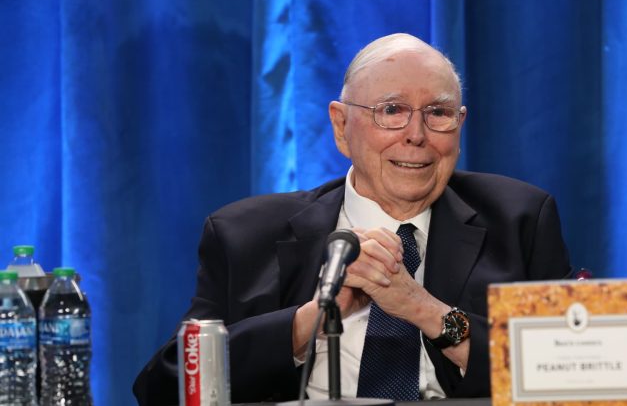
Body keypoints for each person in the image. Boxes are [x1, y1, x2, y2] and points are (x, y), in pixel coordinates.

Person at [133, 33, 571, 405]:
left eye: (437, 114)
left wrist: (426, 310)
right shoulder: (246, 235)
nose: (416, 136)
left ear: (459, 126)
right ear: (341, 127)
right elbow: (164, 388)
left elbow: (570, 372)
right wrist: (312, 319)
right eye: (392, 111)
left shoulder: (520, 220)